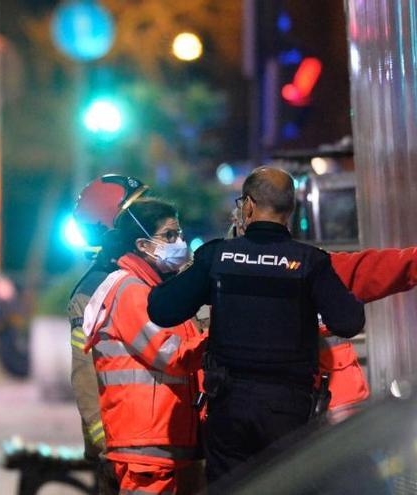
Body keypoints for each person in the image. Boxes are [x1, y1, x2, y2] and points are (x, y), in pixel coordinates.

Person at [147, 167, 365, 482]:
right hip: (288, 410)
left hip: (229, 405)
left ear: (247, 205)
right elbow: (349, 321)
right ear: (290, 209)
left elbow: (162, 310)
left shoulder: (216, 257)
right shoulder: (310, 262)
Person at [230, 209, 417, 423]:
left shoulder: (311, 266)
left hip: (325, 416)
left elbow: (379, 268)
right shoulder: (224, 280)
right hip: (277, 419)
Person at [80, 197, 207, 494]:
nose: (180, 243)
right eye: (170, 236)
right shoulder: (132, 292)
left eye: (180, 235)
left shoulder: (154, 290)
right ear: (142, 245)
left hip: (161, 441)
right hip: (146, 445)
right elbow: (171, 354)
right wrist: (215, 337)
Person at [68, 174, 150, 494]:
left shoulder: (156, 275)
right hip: (123, 455)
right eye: (140, 215)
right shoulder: (91, 294)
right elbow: (86, 380)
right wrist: (111, 449)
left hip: (159, 447)